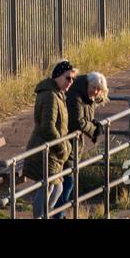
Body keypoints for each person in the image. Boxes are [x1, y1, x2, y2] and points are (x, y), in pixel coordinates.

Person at [23, 60, 77, 219]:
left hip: (51, 152)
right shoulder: (51, 96)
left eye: (72, 79)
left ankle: (43, 216)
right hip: (45, 151)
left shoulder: (56, 93)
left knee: (56, 188)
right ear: (58, 76)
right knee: (47, 188)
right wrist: (63, 147)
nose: (70, 82)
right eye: (68, 78)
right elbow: (48, 127)